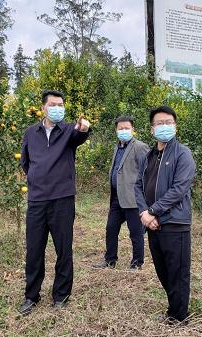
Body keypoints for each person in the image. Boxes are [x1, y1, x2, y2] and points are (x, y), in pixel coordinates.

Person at [19, 90, 91, 316]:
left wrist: (85, 129)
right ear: (43, 108)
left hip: (62, 200)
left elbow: (81, 135)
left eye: (61, 104)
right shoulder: (31, 133)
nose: (57, 108)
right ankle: (31, 296)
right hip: (38, 200)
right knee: (34, 250)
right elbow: (25, 163)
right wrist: (38, 179)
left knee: (63, 249)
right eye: (53, 104)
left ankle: (61, 295)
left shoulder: (70, 131)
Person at [135, 106, 196, 324]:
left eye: (168, 122)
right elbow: (137, 186)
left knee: (177, 272)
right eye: (159, 123)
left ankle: (179, 316)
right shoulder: (149, 156)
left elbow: (179, 189)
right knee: (163, 270)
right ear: (152, 130)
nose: (164, 126)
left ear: (175, 126)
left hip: (174, 222)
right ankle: (173, 307)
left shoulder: (183, 153)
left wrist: (153, 211)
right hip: (152, 223)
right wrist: (144, 213)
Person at [92, 116, 149, 270]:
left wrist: (144, 199)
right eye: (120, 128)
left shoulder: (140, 147)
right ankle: (110, 261)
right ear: (116, 130)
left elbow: (148, 173)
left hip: (133, 199)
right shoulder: (117, 147)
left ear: (133, 129)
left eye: (127, 128)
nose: (123, 131)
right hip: (117, 198)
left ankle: (137, 263)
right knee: (111, 228)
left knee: (135, 233)